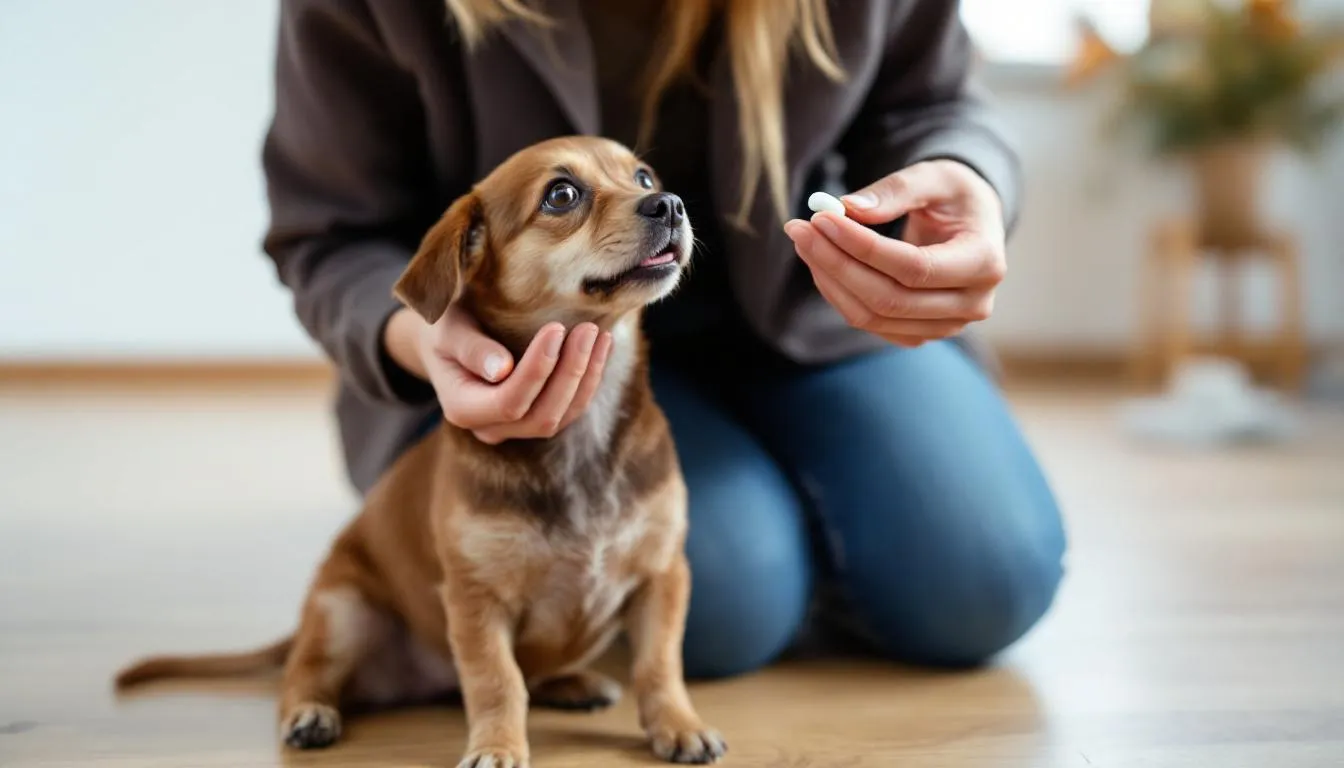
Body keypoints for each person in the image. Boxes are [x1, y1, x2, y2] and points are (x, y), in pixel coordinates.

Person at [262, 0, 1067, 680]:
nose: (660, 205)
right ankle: (791, 530)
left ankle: (798, 513)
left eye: (644, 185)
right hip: (532, 369)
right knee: (730, 598)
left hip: (814, 318)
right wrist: (422, 337)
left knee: (985, 581)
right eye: (570, 196)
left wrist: (968, 178)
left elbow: (932, 104)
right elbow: (330, 233)